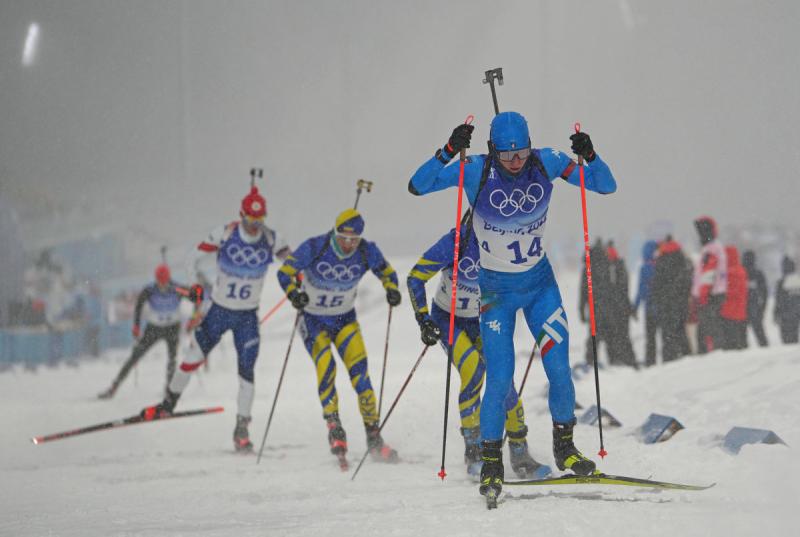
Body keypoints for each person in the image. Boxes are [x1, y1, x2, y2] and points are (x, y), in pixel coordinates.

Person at [409, 111, 617, 499]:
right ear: (492, 150)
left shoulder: (548, 161)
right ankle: (492, 462)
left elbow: (606, 186)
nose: (516, 162)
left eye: (520, 152)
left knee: (559, 368)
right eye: (507, 156)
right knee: (500, 380)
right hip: (495, 294)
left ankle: (565, 448)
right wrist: (448, 150)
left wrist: (591, 156)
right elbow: (416, 187)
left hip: (540, 287)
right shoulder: (474, 169)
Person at [141, 186, 290, 452]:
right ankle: (168, 404)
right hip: (219, 313)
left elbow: (292, 263)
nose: (255, 226)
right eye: (251, 220)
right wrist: (193, 286)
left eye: (260, 220)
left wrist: (300, 281)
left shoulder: (271, 239)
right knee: (190, 361)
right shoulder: (225, 233)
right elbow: (192, 258)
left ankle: (241, 428)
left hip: (247, 317)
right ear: (242, 215)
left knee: (247, 372)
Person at [406, 223, 546, 478]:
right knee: (472, 370)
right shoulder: (455, 242)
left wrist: (536, 311)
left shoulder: (510, 240)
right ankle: (475, 449)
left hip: (483, 318)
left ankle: (519, 452)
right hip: (448, 319)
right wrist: (423, 319)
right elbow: (415, 277)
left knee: (504, 380)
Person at [276, 209, 401, 464]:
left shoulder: (366, 250)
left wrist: (392, 289)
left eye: (353, 240)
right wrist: (293, 294)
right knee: (326, 368)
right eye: (343, 238)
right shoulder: (316, 246)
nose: (348, 245)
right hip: (313, 321)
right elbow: (285, 272)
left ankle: (373, 435)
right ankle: (334, 428)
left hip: (345, 320)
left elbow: (387, 272)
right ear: (335, 233)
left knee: (361, 376)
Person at [98, 264, 200, 399]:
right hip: (154, 328)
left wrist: (194, 318)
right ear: (156, 279)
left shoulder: (177, 288)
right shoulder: (149, 290)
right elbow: (138, 306)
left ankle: (169, 391)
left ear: (168, 279)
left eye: (164, 282)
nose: (162, 285)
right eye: (159, 282)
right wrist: (136, 326)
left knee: (172, 360)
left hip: (172, 328)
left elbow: (197, 298)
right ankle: (114, 387)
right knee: (135, 356)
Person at [649, 236, 692, 362]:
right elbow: (687, 282)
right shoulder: (682, 259)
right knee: (681, 330)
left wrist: (658, 300)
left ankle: (669, 360)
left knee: (667, 334)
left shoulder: (661, 260)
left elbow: (656, 285)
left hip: (666, 304)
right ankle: (687, 356)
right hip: (681, 303)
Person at [692, 216, 727, 353]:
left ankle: (711, 357)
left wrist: (703, 295)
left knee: (708, 329)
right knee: (713, 327)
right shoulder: (717, 248)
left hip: (710, 295)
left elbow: (707, 275)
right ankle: (715, 353)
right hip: (716, 293)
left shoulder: (710, 250)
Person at [604, 240, 636, 366]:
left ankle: (619, 360)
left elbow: (617, 288)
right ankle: (627, 360)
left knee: (615, 335)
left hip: (615, 307)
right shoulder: (620, 265)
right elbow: (624, 288)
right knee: (623, 335)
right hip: (621, 306)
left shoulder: (608, 266)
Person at [632, 241, 659, 365]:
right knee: (665, 336)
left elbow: (641, 290)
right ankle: (667, 359)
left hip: (649, 306)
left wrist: (635, 307)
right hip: (661, 306)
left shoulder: (644, 268)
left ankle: (651, 361)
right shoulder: (660, 265)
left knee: (650, 336)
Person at [720, 246, 748, 349]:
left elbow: (728, 291)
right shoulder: (742, 271)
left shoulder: (727, 272)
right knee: (741, 341)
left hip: (728, 311)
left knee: (730, 344)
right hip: (741, 311)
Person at [741, 250, 769, 347]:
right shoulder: (758, 274)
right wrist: (762, 309)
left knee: (741, 337)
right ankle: (766, 351)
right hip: (755, 308)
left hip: (742, 308)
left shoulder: (740, 273)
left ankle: (742, 353)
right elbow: (764, 293)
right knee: (760, 335)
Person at [774, 256, 800, 344]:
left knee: (786, 339)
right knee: (794, 336)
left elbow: (778, 300)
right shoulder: (797, 281)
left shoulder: (781, 282)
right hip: (796, 314)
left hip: (785, 315)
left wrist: (776, 313)